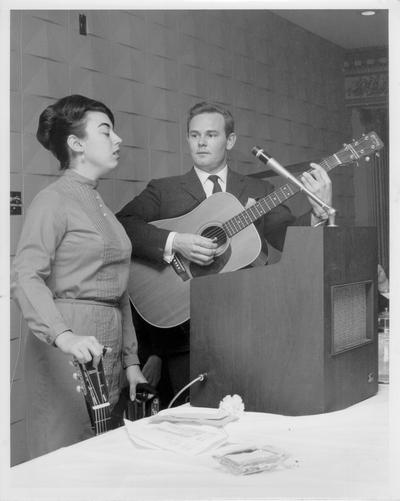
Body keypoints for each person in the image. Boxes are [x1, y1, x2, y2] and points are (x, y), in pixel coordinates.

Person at [116, 101, 332, 406]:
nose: (201, 142)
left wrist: (317, 214)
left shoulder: (257, 188)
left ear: (230, 140)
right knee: (192, 421)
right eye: (194, 135)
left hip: (246, 327)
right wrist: (176, 241)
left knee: (252, 413)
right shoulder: (164, 190)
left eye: (211, 135)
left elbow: (289, 239)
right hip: (183, 334)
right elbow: (121, 225)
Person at [11, 94, 147, 459]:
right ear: (76, 144)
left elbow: (119, 291)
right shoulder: (52, 200)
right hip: (68, 342)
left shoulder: (103, 208)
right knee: (66, 454)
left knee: (102, 458)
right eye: (106, 131)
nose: (117, 139)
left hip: (109, 347)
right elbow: (25, 276)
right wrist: (64, 336)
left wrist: (132, 362)